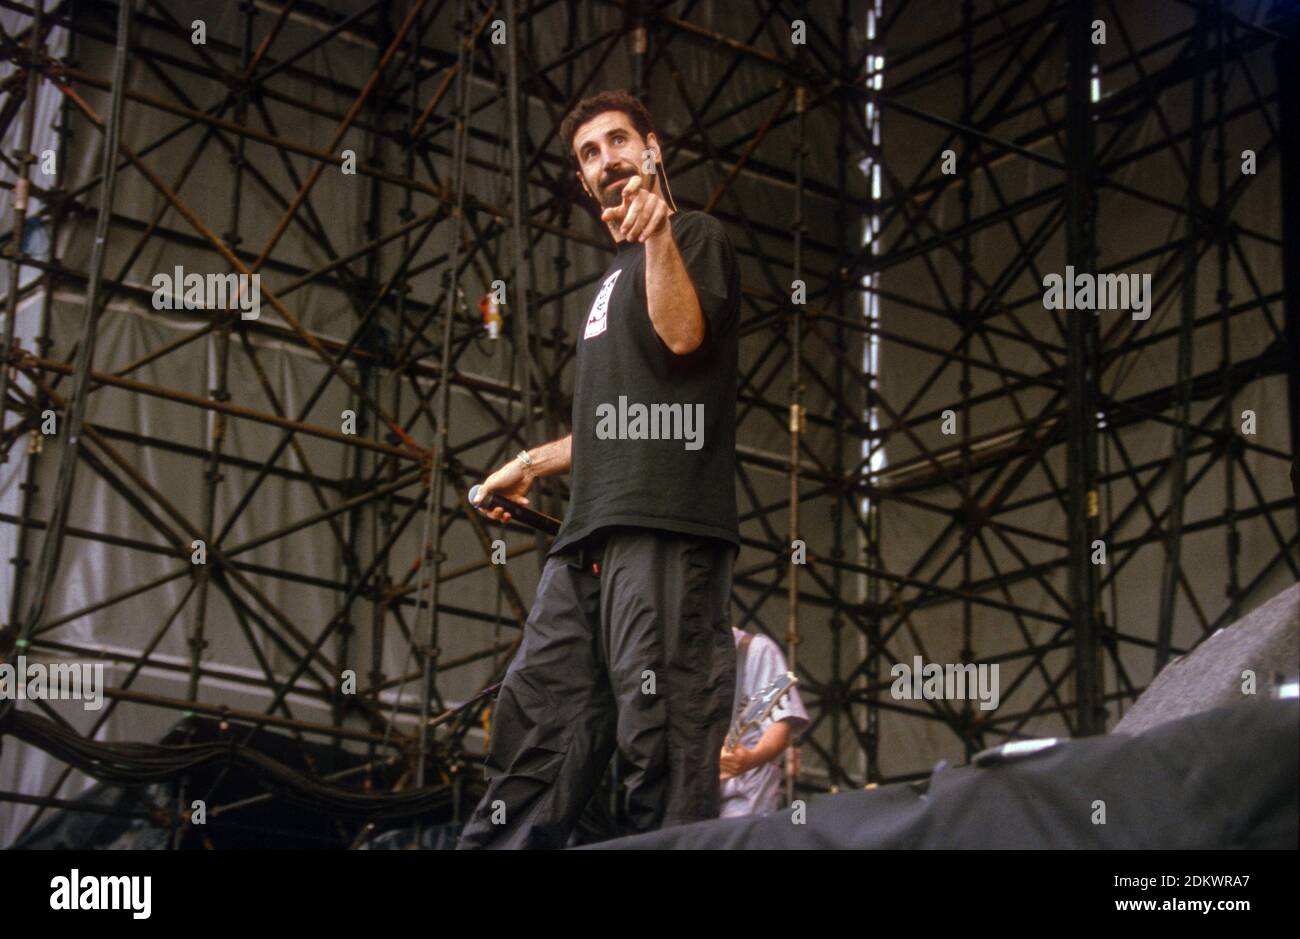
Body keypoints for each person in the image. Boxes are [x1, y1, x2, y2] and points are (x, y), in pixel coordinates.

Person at [457, 90, 742, 849]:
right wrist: (528, 463)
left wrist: (659, 240)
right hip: (586, 536)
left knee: (662, 736)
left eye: (618, 141)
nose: (605, 158)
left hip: (664, 525)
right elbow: (608, 422)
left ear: (653, 150)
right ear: (583, 181)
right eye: (588, 153)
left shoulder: (695, 238)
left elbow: (683, 341)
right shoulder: (609, 283)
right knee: (536, 718)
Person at [719, 627, 809, 817]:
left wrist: (751, 758)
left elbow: (781, 725)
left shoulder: (755, 649)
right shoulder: (669, 654)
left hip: (744, 809)